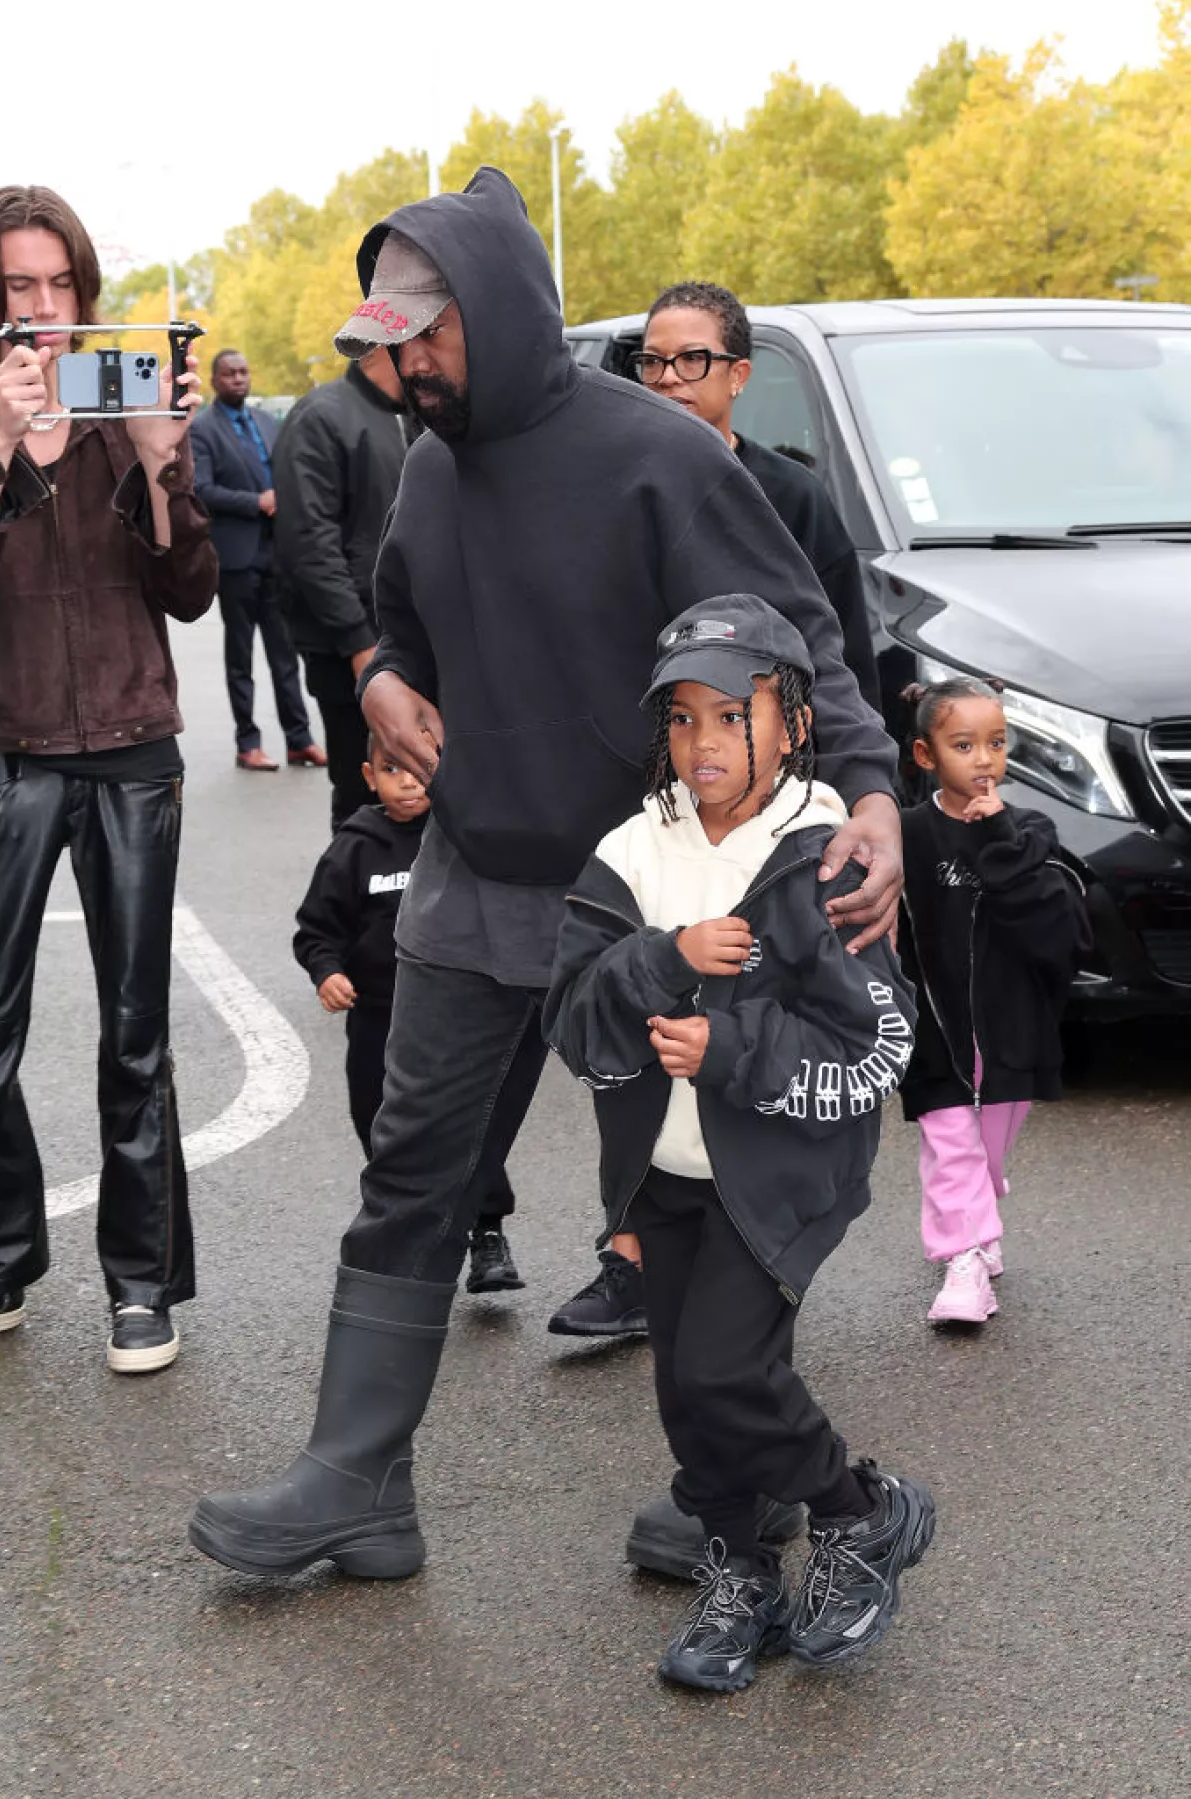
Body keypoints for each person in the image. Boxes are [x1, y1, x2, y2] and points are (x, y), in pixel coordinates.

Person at [189, 167, 904, 1587]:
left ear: (500, 317)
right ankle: (354, 1481)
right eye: (380, 345)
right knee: (414, 1172)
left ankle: (738, 1481)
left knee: (692, 1191)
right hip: (475, 877)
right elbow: (396, 628)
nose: (399, 368)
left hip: (656, 887)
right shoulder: (434, 465)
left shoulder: (662, 457)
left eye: (424, 337)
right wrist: (381, 681)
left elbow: (803, 641)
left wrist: (873, 789)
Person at [544, 594, 929, 1691]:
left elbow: (875, 1042)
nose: (703, 743)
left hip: (779, 1175)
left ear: (794, 719)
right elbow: (570, 1017)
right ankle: (742, 1573)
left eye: (731, 714)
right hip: (658, 1175)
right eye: (681, 719)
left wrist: (725, 1047)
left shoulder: (827, 852)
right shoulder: (630, 851)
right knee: (688, 1391)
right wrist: (665, 957)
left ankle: (861, 1510)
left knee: (722, 1369)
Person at [550, 277, 880, 1342]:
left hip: (765, 811)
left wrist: (865, 791)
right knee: (637, 1009)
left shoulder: (793, 500)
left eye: (693, 360)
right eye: (651, 361)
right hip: (652, 799)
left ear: (740, 375)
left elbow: (842, 658)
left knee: (749, 1018)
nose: (668, 380)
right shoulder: (607, 491)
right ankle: (633, 1243)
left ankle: (754, 1247)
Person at [0, 184, 215, 1371]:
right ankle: (0, 1248)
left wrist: (156, 465)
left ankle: (141, 1283)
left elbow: (190, 591)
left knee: (136, 1035)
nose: (40, 310)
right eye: (17, 288)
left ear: (85, 292)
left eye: (59, 285)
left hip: (131, 747)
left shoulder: (120, 403)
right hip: (5, 747)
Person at [291, 737, 535, 1290]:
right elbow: (316, 929)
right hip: (376, 1019)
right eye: (390, 769)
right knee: (385, 1130)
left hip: (451, 1014)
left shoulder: (460, 838)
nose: (407, 781)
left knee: (468, 1120)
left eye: (419, 770)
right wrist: (327, 971)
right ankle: (406, 1240)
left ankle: (487, 1233)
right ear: (368, 775)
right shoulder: (354, 849)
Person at [898, 677, 1090, 1325]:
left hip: (1012, 1028)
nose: (984, 758)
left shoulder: (1028, 829)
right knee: (951, 1141)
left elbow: (1048, 926)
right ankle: (964, 1263)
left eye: (996, 743)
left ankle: (979, 1208)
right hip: (936, 1027)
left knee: (987, 1146)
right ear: (926, 756)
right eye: (964, 744)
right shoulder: (907, 834)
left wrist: (1001, 837)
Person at [274, 347, 417, 829]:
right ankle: (354, 900)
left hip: (417, 642)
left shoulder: (422, 416)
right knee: (364, 797)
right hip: (349, 648)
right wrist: (359, 642)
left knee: (422, 794)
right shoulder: (321, 416)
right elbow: (309, 543)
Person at [190, 350, 324, 773]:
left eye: (244, 372)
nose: (238, 379)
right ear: (214, 380)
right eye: (229, 373)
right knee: (240, 658)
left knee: (286, 655)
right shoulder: (202, 430)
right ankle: (247, 743)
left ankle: (299, 741)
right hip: (236, 560)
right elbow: (202, 490)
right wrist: (256, 502)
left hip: (276, 555)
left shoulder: (267, 422)